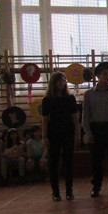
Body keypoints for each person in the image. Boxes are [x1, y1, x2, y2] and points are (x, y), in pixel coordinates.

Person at [82, 61, 108, 198]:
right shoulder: (89, 94)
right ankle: (96, 186)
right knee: (96, 160)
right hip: (96, 129)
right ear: (98, 76)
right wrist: (88, 132)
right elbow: (85, 115)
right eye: (105, 74)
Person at [42, 71, 81, 201]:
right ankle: (55, 192)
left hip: (67, 133)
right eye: (59, 81)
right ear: (54, 83)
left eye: (64, 81)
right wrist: (44, 136)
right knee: (53, 163)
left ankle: (69, 190)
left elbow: (74, 117)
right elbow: (45, 119)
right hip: (53, 134)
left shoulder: (70, 98)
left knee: (68, 162)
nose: (62, 83)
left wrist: (77, 133)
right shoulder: (47, 100)